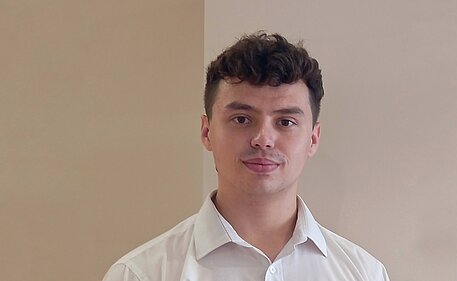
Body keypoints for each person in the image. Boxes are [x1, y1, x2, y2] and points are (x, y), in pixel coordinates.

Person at [102, 32, 390, 281]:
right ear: (206, 132)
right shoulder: (141, 274)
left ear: (312, 139)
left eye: (285, 122)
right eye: (241, 119)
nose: (263, 139)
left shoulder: (363, 273)